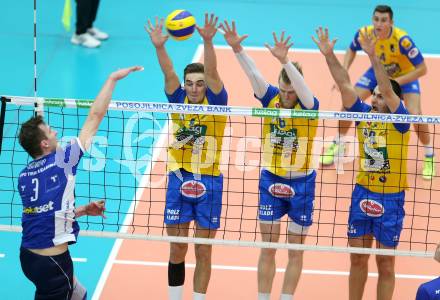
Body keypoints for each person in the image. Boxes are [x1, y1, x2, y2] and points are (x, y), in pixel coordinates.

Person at [18, 65, 143, 299]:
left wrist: (84, 210)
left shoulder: (24, 176)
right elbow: (95, 116)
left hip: (29, 256)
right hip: (52, 262)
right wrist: (112, 79)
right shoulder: (63, 161)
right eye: (50, 131)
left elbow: (48, 215)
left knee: (79, 294)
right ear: (44, 144)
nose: (55, 133)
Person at [220, 20, 319, 299]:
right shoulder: (271, 98)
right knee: (268, 246)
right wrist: (237, 48)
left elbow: (302, 89)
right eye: (283, 90)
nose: (287, 97)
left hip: (302, 183)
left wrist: (285, 60)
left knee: (295, 249)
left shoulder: (310, 104)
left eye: (291, 92)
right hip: (271, 180)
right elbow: (253, 74)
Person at [314, 27, 410, 300]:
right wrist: (329, 55)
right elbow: (345, 85)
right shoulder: (363, 114)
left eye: (383, 96)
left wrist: (372, 56)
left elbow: (390, 92)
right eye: (375, 95)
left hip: (391, 199)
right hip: (362, 194)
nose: (377, 99)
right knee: (357, 260)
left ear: (394, 101)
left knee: (386, 263)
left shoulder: (400, 120)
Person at [146, 14, 228, 300]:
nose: (194, 88)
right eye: (190, 83)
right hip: (178, 178)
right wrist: (159, 47)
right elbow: (168, 73)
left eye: (199, 83)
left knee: (203, 249)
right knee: (177, 247)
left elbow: (214, 73)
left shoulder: (217, 101)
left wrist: (207, 41)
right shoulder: (177, 98)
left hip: (210, 182)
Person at [321, 5, 434, 180]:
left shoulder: (402, 41)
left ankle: (429, 156)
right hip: (376, 73)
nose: (378, 24)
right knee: (349, 102)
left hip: (404, 78)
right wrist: (344, 68)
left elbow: (422, 69)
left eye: (383, 20)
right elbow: (351, 48)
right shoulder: (365, 33)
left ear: (391, 23)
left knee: (415, 114)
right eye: (376, 19)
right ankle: (339, 142)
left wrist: (392, 84)